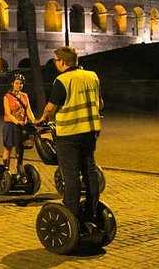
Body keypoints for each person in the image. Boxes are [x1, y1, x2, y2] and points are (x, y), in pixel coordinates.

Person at [38, 46, 103, 224]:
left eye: (55, 60)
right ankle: (92, 209)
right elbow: (101, 104)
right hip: (90, 131)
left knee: (71, 174)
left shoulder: (63, 80)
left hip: (69, 134)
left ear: (62, 62)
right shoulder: (92, 76)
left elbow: (51, 107)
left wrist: (42, 119)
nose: (55, 64)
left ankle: (71, 212)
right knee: (90, 171)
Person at [2, 74, 36, 171]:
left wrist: (33, 121)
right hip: (10, 125)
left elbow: (28, 110)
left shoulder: (24, 96)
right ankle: (6, 170)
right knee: (8, 148)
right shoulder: (7, 97)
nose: (19, 85)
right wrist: (16, 122)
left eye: (21, 84)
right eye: (17, 83)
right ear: (12, 84)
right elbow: (8, 113)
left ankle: (19, 169)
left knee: (20, 149)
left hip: (22, 126)